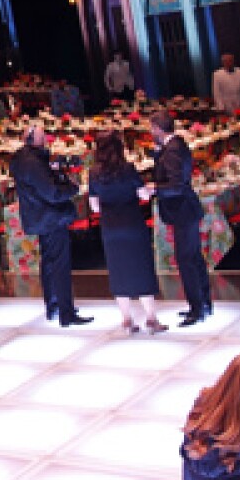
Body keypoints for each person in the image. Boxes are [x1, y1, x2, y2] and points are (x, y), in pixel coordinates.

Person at [10, 125, 88, 327]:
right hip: (50, 217)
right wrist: (71, 189)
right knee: (59, 264)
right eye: (42, 137)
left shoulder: (22, 160)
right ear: (31, 140)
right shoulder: (33, 163)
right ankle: (66, 313)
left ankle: (53, 306)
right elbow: (51, 193)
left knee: (49, 262)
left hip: (40, 217)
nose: (46, 140)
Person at [87, 132, 164, 335]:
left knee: (118, 270)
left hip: (111, 228)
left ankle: (127, 320)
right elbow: (142, 195)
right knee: (142, 268)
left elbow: (94, 207)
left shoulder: (93, 173)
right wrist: (152, 188)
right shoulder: (128, 169)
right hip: (132, 224)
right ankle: (151, 318)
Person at [150, 112, 211, 325]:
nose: (150, 132)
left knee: (187, 261)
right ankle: (203, 303)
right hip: (185, 211)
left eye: (152, 128)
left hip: (182, 211)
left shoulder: (173, 149)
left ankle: (197, 309)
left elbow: (175, 185)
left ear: (158, 128)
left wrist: (154, 189)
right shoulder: (175, 145)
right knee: (193, 259)